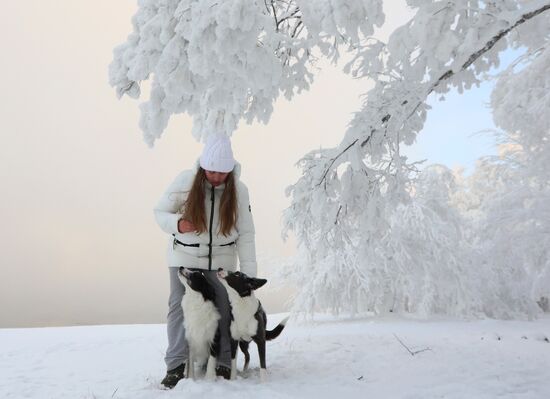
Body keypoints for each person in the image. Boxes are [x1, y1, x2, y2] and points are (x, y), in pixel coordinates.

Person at [153, 134, 257, 388]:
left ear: (230, 170)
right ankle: (176, 366)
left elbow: (246, 234)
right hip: (184, 256)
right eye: (211, 171)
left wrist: (249, 275)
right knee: (179, 308)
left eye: (222, 173)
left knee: (224, 308)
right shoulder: (185, 181)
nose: (216, 177)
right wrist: (178, 224)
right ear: (203, 166)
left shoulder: (239, 191)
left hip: (221, 260)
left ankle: (222, 361)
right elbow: (159, 212)